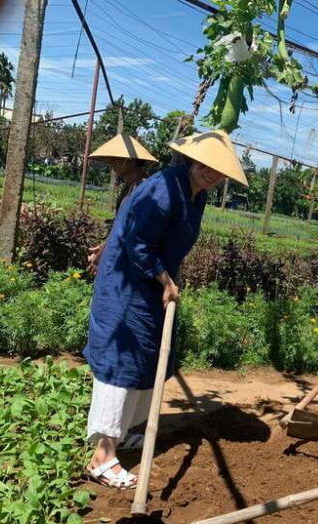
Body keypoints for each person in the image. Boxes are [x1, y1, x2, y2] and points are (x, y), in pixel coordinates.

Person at [84, 130, 247, 488]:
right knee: (122, 362)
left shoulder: (198, 195)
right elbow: (138, 243)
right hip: (127, 284)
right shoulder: (164, 188)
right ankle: (102, 457)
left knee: (147, 359)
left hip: (153, 287)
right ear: (192, 160)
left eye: (219, 171)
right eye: (205, 166)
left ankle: (125, 433)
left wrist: (165, 280)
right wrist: (165, 279)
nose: (211, 174)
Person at [87, 133, 158, 274]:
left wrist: (101, 255)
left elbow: (127, 229)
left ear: (129, 161)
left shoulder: (141, 188)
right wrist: (104, 247)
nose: (112, 164)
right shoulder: (132, 185)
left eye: (116, 159)